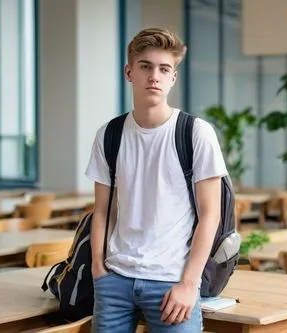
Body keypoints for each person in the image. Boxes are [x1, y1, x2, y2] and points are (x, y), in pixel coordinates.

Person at [85, 27, 228, 332]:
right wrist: (99, 268)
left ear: (173, 78)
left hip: (172, 283)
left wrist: (189, 284)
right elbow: (102, 210)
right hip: (114, 281)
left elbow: (210, 215)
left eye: (164, 69)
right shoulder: (109, 135)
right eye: (145, 66)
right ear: (129, 72)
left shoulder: (195, 133)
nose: (155, 76)